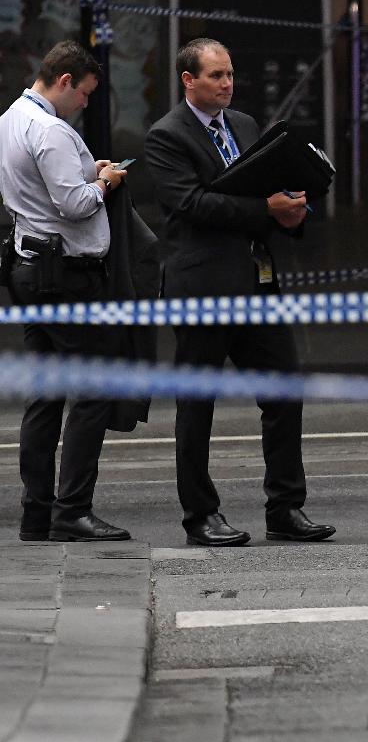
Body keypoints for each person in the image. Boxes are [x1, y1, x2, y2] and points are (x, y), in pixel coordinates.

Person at [144, 38, 332, 547]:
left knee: (284, 391)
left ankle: (286, 508)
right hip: (202, 286)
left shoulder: (245, 126)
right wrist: (266, 208)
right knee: (197, 405)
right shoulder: (167, 136)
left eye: (230, 74)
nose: (228, 84)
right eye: (216, 76)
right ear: (189, 80)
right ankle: (201, 516)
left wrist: (291, 209)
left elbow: (259, 190)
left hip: (257, 282)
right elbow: (192, 205)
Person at [0, 40, 131, 542]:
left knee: (46, 395)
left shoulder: (12, 116)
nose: (86, 103)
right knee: (92, 391)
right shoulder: (50, 130)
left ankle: (36, 511)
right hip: (65, 276)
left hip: (31, 267)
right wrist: (105, 182)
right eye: (85, 93)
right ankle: (72, 509)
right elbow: (75, 205)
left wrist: (87, 172)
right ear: (63, 82)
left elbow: (44, 186)